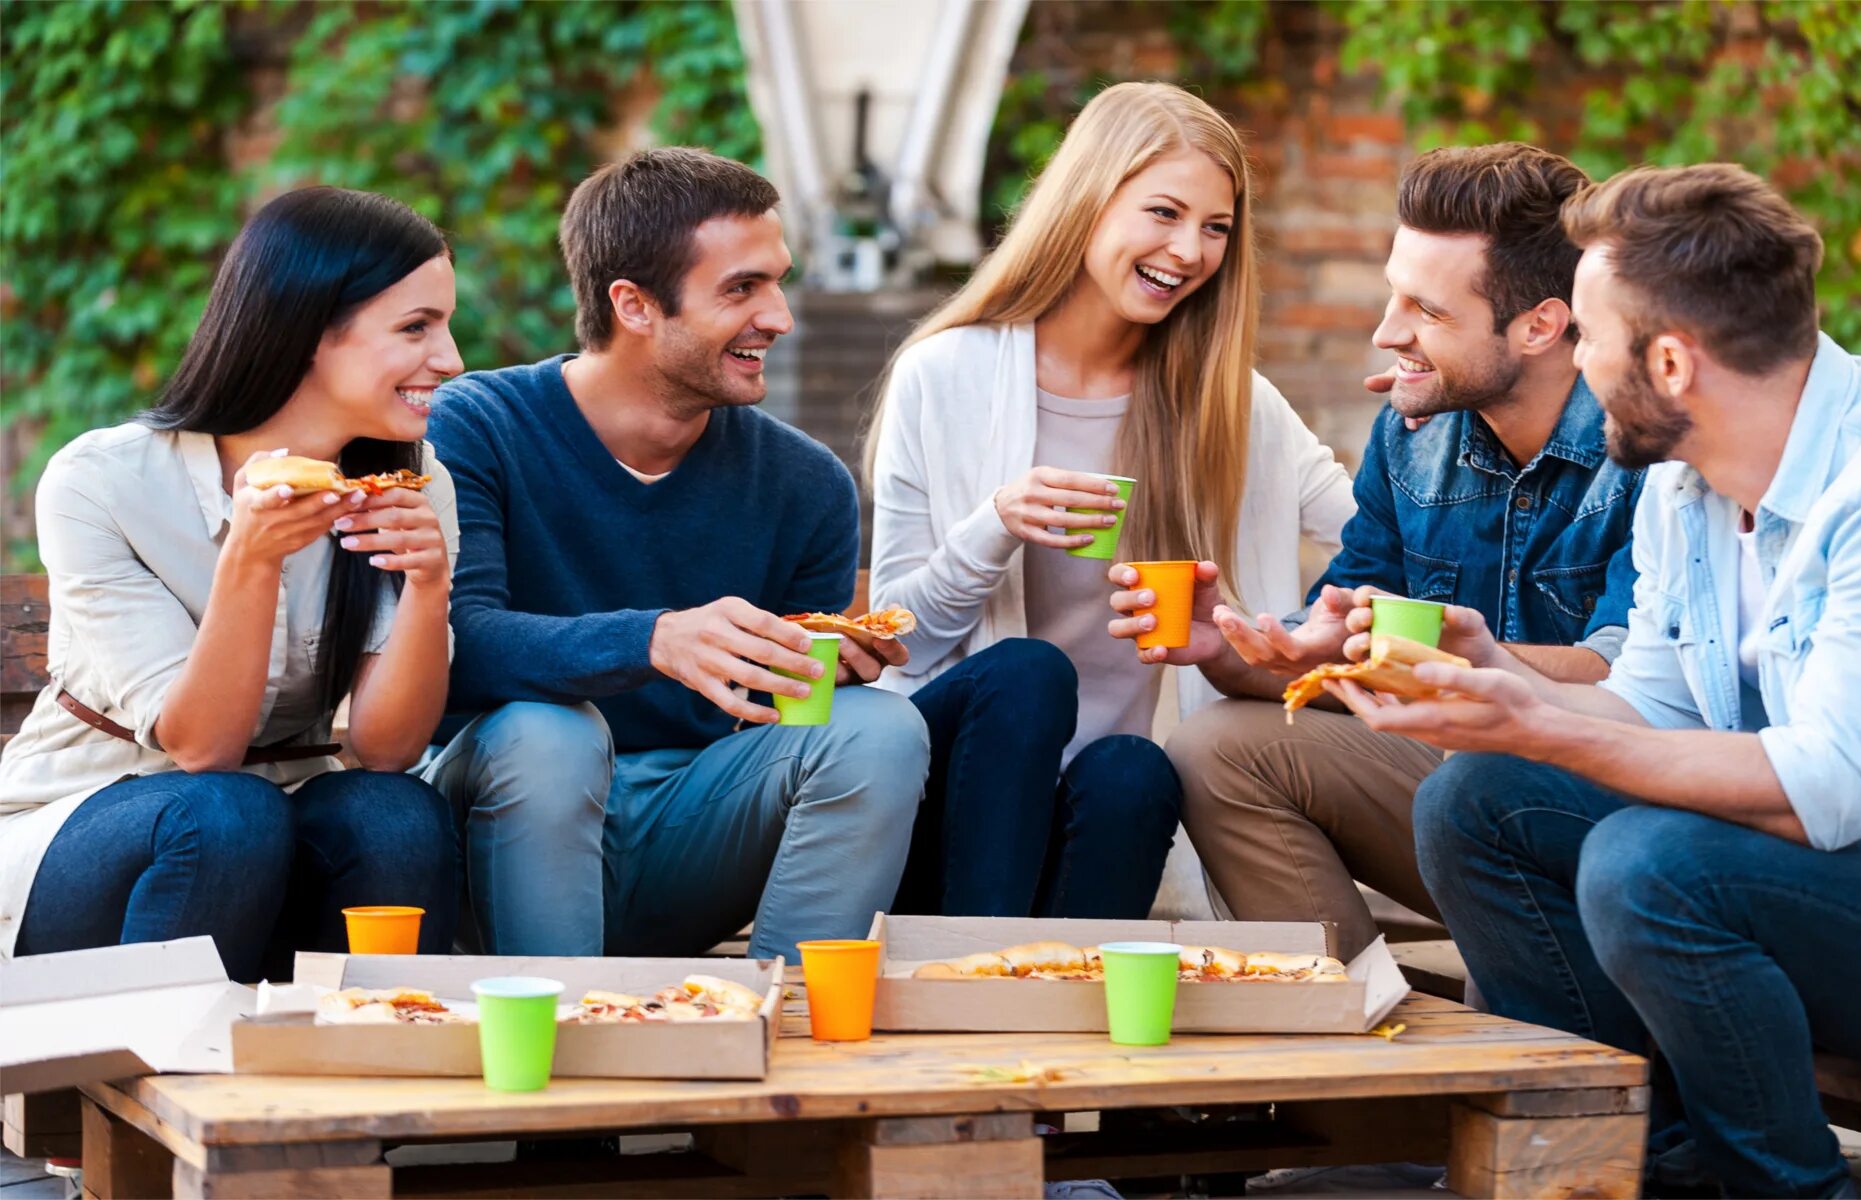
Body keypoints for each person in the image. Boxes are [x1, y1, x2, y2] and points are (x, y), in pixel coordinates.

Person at [1333, 164, 1861, 1198]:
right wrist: (1494, 671)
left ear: (1670, 360)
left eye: (1590, 339)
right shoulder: (1684, 474)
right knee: (1474, 800)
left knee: (1650, 865)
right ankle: (1623, 1159)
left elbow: (1828, 789)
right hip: (1814, 894)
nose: (1580, 365)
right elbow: (1648, 702)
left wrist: (1543, 727)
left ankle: (1780, 1185)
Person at [1112, 143, 1644, 960]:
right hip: (1459, 784)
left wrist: (1444, 652)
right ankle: (1347, 1045)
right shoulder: (1411, 436)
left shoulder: (1644, 450)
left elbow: (1641, 680)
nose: (1387, 332)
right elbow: (1337, 645)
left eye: (1427, 312)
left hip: (1620, 809)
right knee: (1216, 746)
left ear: (1541, 324)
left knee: (1478, 786)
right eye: (1393, 296)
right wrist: (1231, 649)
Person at [420, 148, 929, 962]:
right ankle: (557, 1037)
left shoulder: (806, 485)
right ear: (634, 304)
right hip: (502, 823)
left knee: (880, 726)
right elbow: (456, 646)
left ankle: (789, 1034)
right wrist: (655, 640)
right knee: (551, 732)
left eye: (777, 282)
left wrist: (816, 665)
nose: (780, 317)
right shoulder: (474, 427)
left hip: (694, 821)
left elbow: (772, 722)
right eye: (742, 289)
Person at [866, 82, 1355, 919]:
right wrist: (994, 527)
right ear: (1088, 201)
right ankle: (976, 963)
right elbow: (897, 639)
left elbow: (1374, 533)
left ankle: (1055, 994)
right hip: (952, 803)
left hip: (1103, 801)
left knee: (1139, 767)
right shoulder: (944, 375)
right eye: (1163, 213)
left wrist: (1431, 426)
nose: (1190, 251)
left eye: (1215, 228)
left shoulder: (1229, 404)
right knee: (1026, 673)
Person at [0, 187, 463, 980]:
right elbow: (203, 747)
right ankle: (178, 1093)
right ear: (308, 332)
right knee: (225, 813)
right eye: (416, 328)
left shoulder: (414, 485)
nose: (451, 360)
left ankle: (367, 1067)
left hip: (280, 841)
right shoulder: (104, 482)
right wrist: (252, 557)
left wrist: (427, 589)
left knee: (397, 815)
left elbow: (386, 750)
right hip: (94, 838)